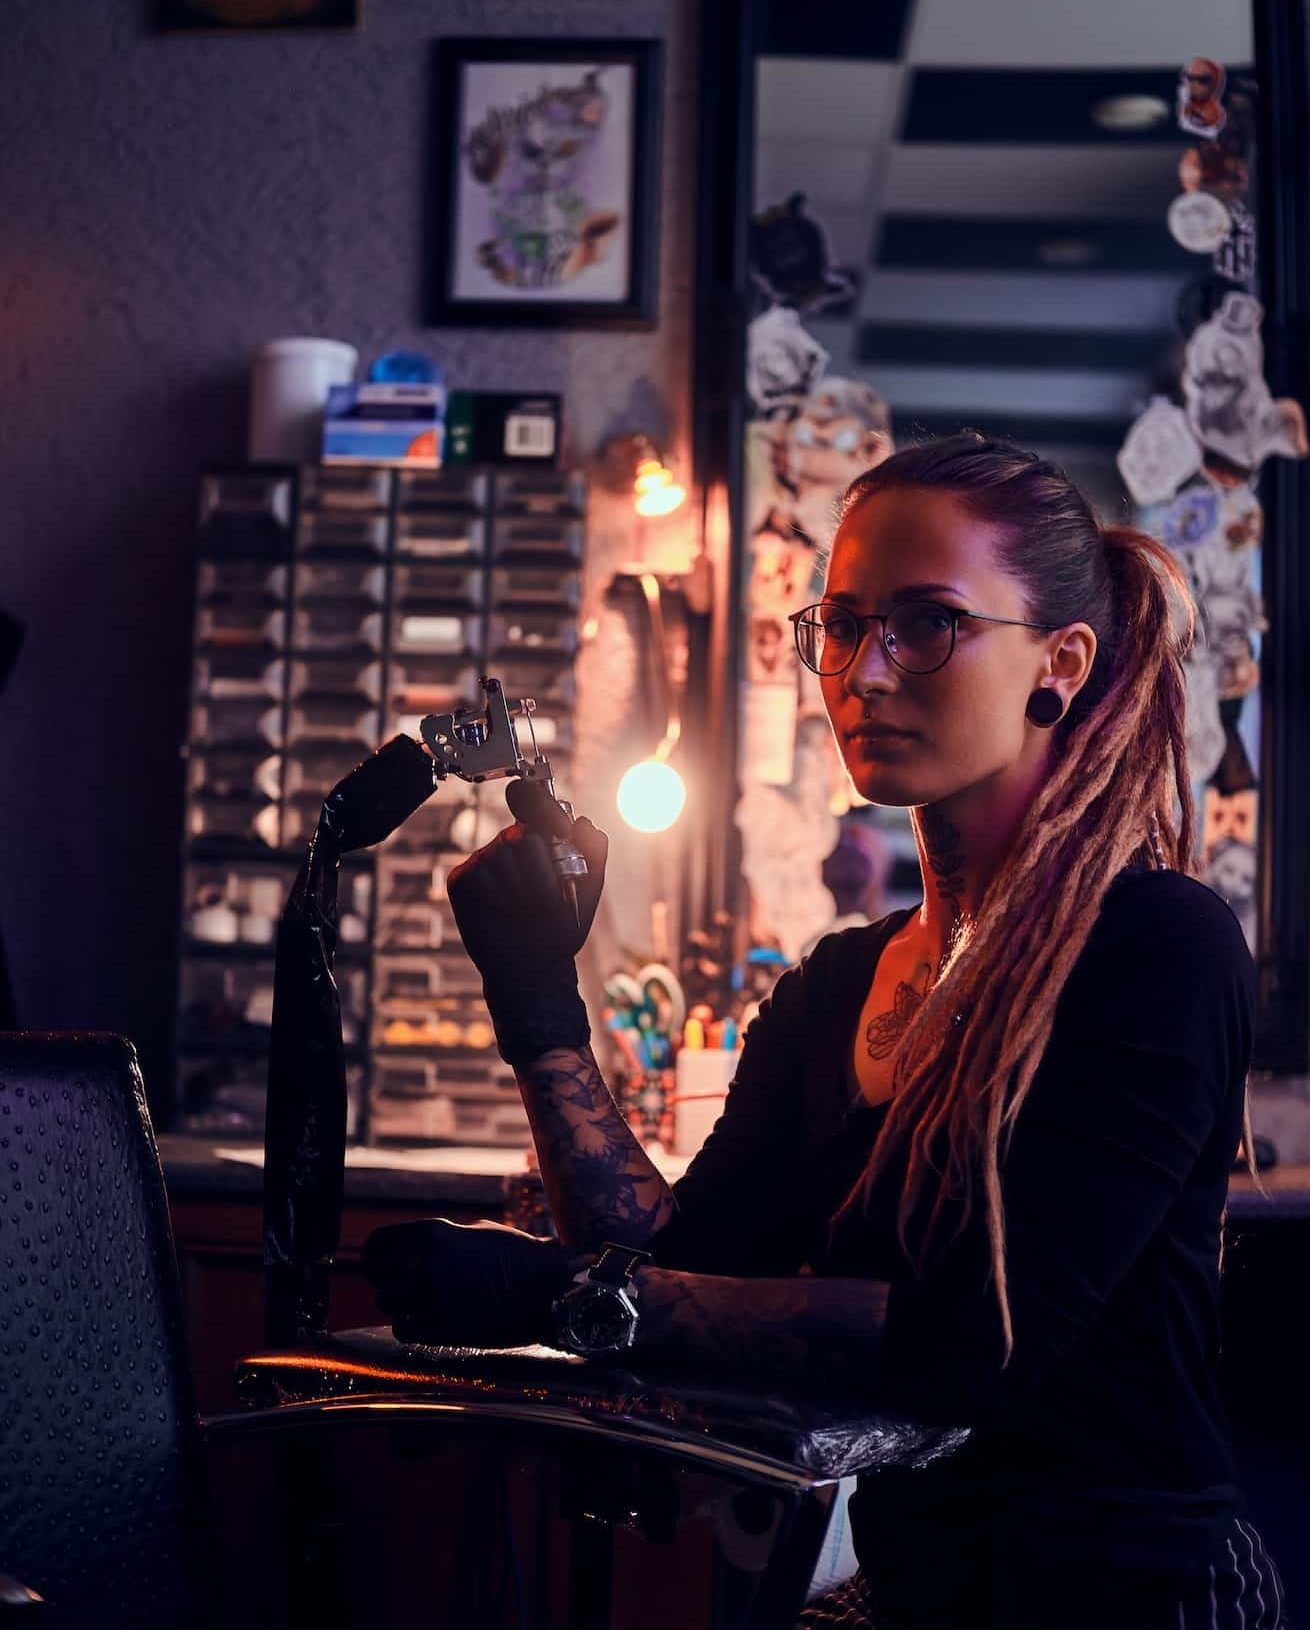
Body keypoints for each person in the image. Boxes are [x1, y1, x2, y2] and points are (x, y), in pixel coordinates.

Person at [362, 434, 1290, 1629]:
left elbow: (976, 1342)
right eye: (842, 625)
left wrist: (559, 1291)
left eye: (925, 623)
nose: (862, 670)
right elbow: (685, 1260)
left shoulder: (1153, 946)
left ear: (1057, 662)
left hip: (1125, 1592)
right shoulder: (838, 983)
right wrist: (540, 1006)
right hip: (916, 1588)